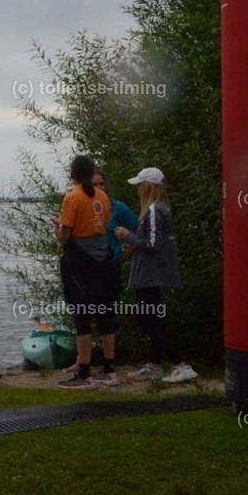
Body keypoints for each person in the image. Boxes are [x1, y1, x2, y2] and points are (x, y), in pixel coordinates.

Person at [115, 167, 197, 383]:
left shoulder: (153, 211)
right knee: (151, 319)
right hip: (152, 275)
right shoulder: (160, 209)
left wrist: (127, 236)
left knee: (150, 321)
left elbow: (152, 244)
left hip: (150, 275)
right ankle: (155, 365)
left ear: (149, 187)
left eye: (140, 185)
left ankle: (181, 364)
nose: (138, 190)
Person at [54, 155, 116, 389]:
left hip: (79, 262)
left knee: (82, 317)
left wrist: (57, 228)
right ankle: (110, 369)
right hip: (103, 258)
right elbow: (104, 226)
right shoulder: (103, 196)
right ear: (91, 173)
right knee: (106, 315)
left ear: (73, 173)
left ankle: (85, 373)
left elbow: (66, 236)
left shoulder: (73, 197)